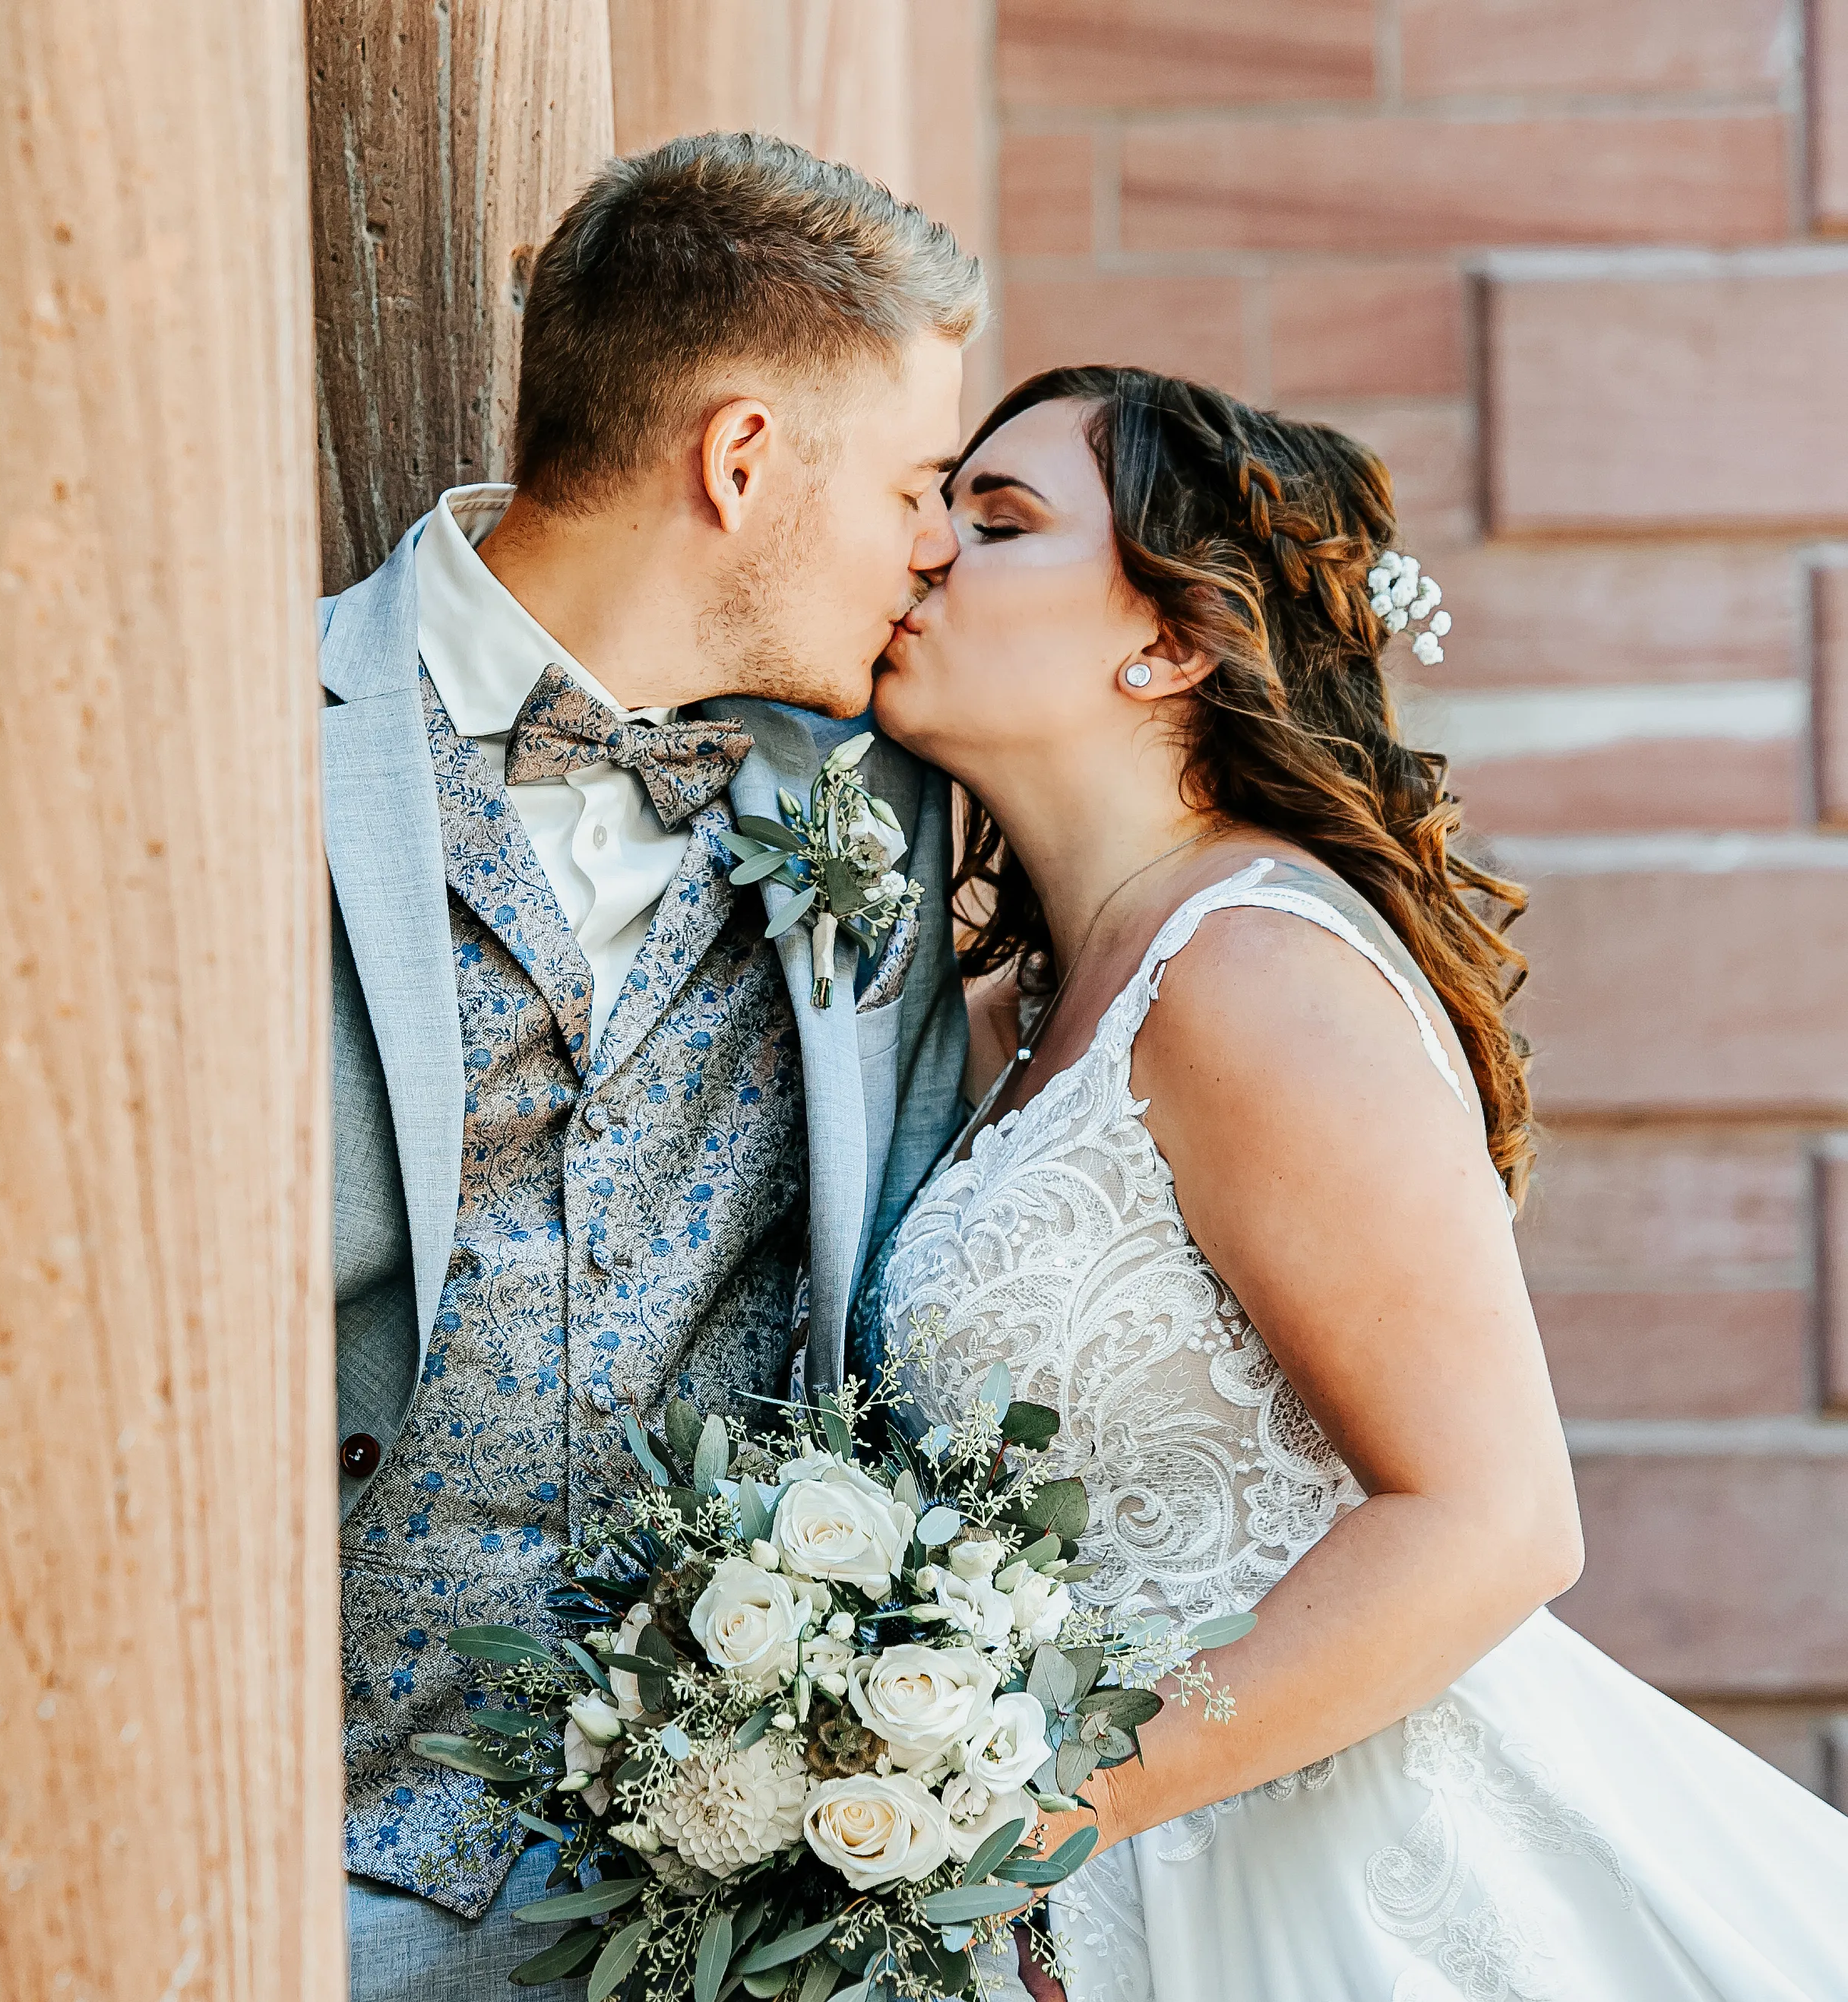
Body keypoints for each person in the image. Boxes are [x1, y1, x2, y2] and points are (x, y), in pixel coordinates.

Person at [871, 366, 1848, 2000]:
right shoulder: (1015, 1021)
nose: (923, 551)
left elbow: (1494, 1520)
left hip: (1333, 1876)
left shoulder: (1250, 968)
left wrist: (1032, 1817)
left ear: (1172, 638)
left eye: (1002, 520)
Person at [324, 133, 984, 2000]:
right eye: (920, 486)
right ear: (744, 457)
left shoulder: (876, 808)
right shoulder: (247, 737)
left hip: (687, 1908)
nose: (936, 547)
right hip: (273, 1837)